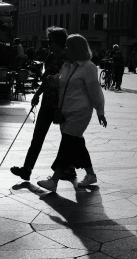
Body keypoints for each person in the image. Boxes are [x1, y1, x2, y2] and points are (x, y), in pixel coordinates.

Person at [38, 34, 107, 192]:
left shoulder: (88, 67)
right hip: (66, 110)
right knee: (76, 143)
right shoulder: (67, 65)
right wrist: (53, 80)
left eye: (68, 47)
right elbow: (62, 80)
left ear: (76, 49)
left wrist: (100, 111)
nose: (65, 49)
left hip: (80, 112)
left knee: (67, 143)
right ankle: (90, 174)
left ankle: (54, 180)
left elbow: (95, 91)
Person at [11, 26, 68, 182]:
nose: (48, 43)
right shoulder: (50, 57)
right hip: (47, 102)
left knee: (68, 138)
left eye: (50, 41)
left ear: (58, 42)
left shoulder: (68, 59)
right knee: (37, 137)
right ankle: (27, 169)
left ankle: (68, 168)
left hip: (62, 104)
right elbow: (45, 79)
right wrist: (37, 94)